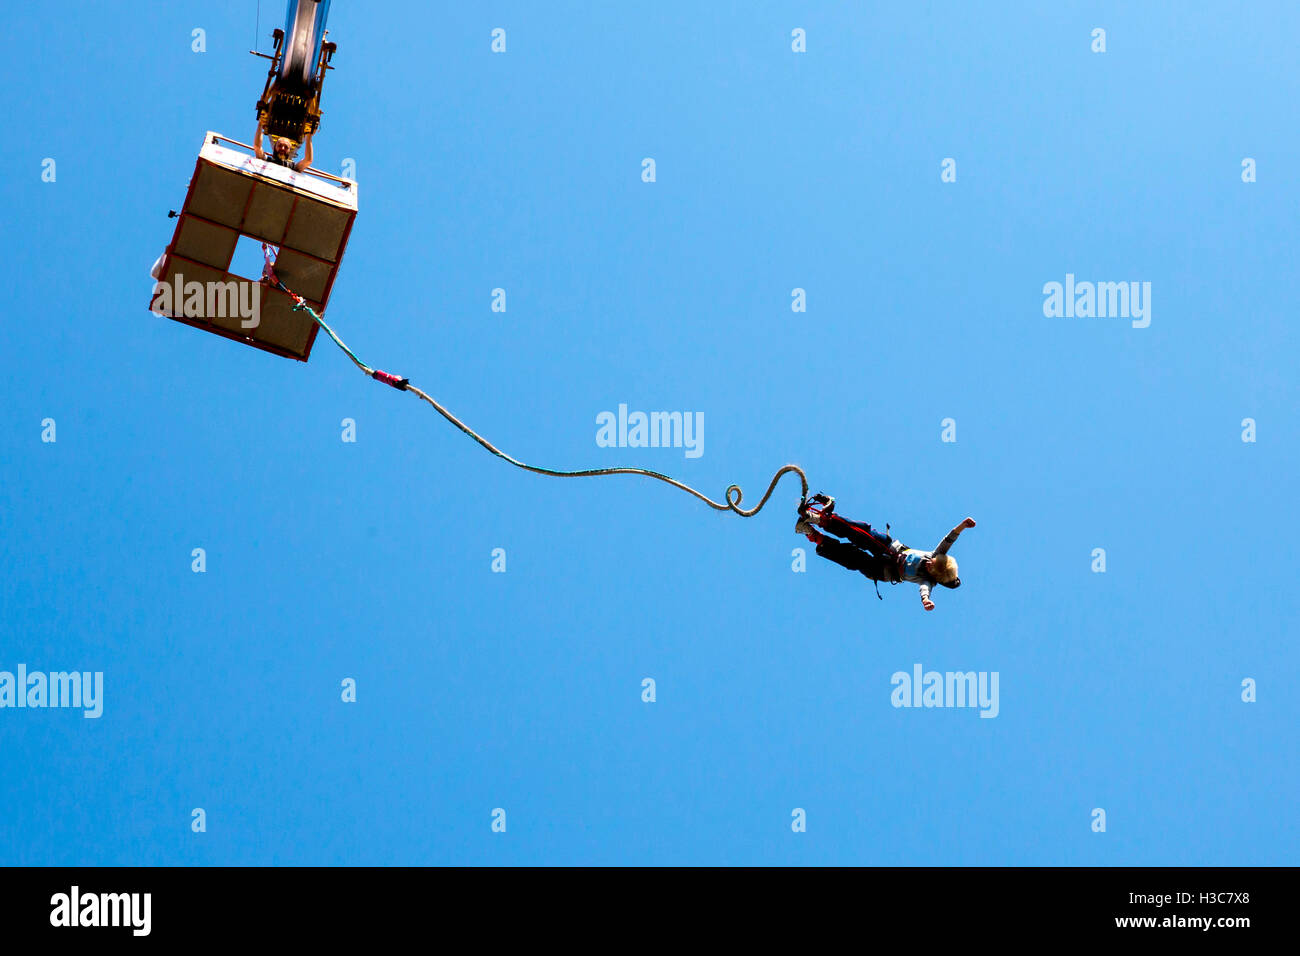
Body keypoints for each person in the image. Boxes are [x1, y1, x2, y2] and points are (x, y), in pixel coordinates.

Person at [796, 494, 976, 610]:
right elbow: (949, 539)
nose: (929, 562)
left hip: (884, 571)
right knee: (862, 533)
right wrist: (963, 526)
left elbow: (924, 590)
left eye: (931, 567)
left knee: (852, 559)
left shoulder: (928, 580)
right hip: (891, 549)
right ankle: (819, 519)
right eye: (933, 561)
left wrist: (925, 601)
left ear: (933, 575)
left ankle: (813, 535)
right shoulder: (937, 555)